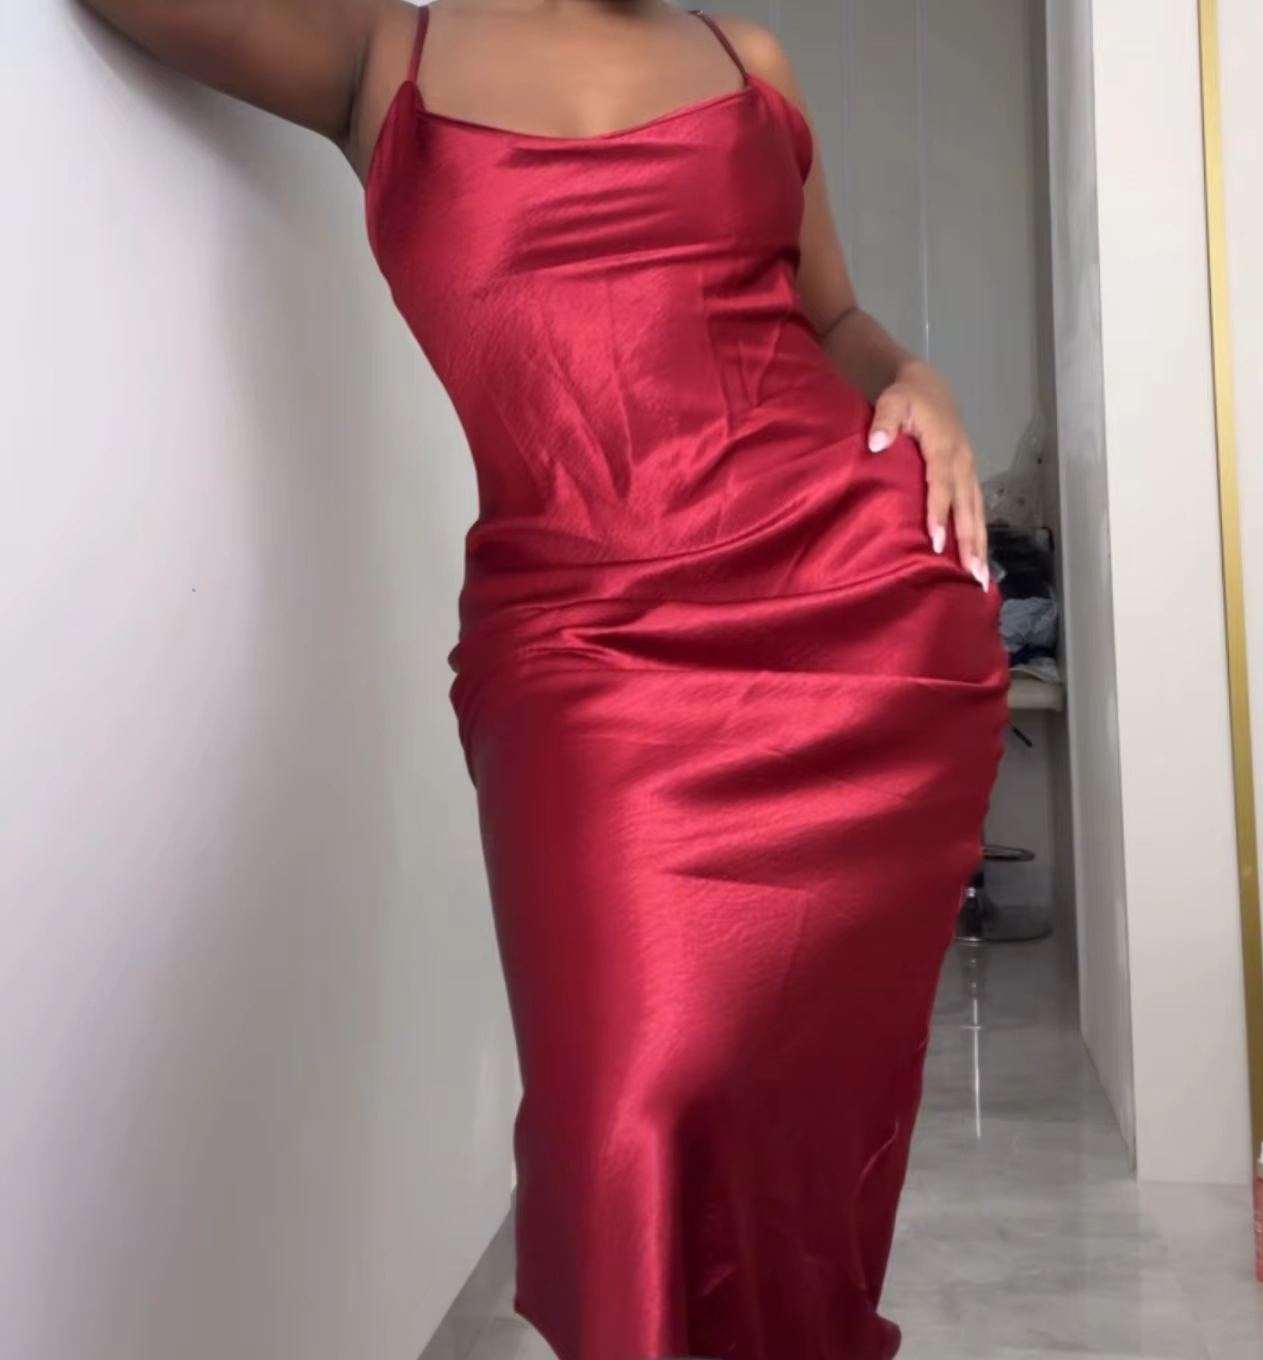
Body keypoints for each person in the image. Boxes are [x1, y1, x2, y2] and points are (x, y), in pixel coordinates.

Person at [78, 2, 1009, 1356]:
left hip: (849, 619)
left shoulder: (746, 65)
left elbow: (837, 319)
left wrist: (916, 377)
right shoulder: (384, 64)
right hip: (581, 653)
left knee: (793, 1116)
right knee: (625, 1112)